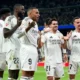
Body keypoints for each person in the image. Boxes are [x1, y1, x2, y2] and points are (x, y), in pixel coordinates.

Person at [3, 4, 25, 80]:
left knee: (16, 75)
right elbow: (5, 34)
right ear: (16, 10)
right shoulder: (10, 18)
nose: (23, 11)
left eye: (24, 9)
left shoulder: (22, 21)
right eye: (22, 9)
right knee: (13, 73)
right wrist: (17, 25)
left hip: (21, 50)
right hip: (13, 49)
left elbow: (20, 35)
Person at [18, 7, 40, 80]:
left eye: (38, 13)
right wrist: (29, 27)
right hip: (27, 48)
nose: (38, 15)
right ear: (30, 13)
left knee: (31, 74)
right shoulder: (25, 21)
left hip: (34, 49)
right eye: (36, 13)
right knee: (26, 73)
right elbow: (19, 34)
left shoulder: (35, 24)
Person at [0, 8, 11, 80]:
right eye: (9, 16)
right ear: (4, 16)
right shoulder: (1, 23)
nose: (10, 18)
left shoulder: (7, 24)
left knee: (1, 70)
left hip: (5, 50)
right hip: (1, 49)